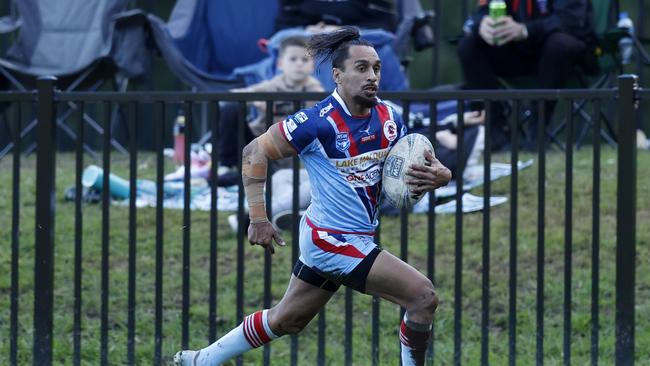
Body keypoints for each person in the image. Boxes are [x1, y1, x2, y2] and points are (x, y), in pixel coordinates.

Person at [174, 26, 451, 366]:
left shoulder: (389, 116)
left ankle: (201, 360)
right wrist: (259, 219)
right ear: (337, 75)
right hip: (331, 240)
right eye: (361, 68)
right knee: (423, 298)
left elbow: (408, 171)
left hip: (345, 236)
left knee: (287, 320)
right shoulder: (317, 121)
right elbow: (253, 153)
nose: (372, 76)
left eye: (376, 68)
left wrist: (440, 175)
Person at [457, 0, 597, 148]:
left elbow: (570, 21)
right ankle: (495, 133)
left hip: (564, 57)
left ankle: (537, 133)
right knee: (469, 45)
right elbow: (482, 12)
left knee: (559, 44)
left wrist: (525, 30)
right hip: (517, 53)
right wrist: (482, 24)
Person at [217, 35, 324, 176]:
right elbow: (230, 97)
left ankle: (248, 175)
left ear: (312, 66)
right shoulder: (272, 86)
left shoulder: (316, 93)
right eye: (293, 59)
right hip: (258, 144)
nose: (299, 64)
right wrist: (255, 101)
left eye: (304, 60)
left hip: (289, 154)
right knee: (232, 107)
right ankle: (228, 164)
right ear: (280, 64)